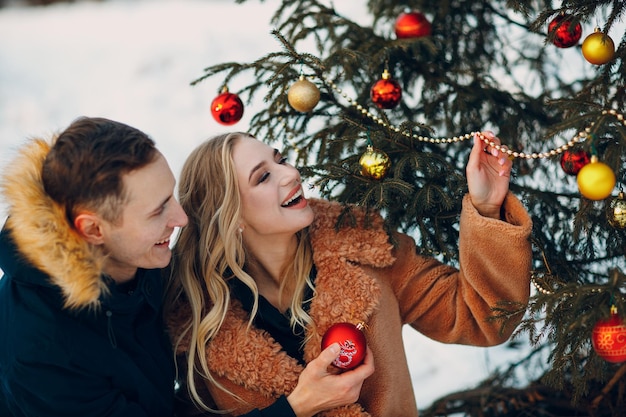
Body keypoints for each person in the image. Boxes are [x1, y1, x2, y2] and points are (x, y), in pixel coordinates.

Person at [0, 117, 372, 417]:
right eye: (157, 211)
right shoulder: (44, 352)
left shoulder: (138, 257)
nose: (180, 219)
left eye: (171, 197)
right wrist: (294, 408)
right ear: (93, 229)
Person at [165, 131, 534, 417]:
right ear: (230, 217)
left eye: (281, 160)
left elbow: (483, 317)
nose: (291, 173)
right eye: (263, 177)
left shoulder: (364, 247)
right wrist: (297, 407)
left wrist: (487, 208)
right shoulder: (198, 320)